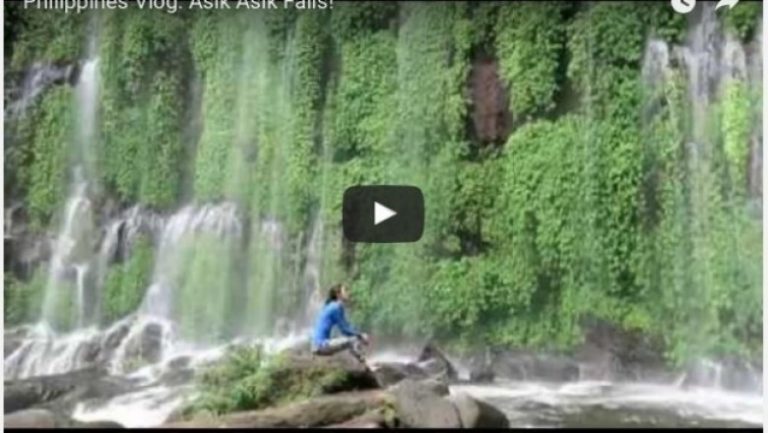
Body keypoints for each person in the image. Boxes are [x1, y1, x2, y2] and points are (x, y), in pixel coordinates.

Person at [311, 284, 370, 363]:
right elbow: (345, 330)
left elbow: (347, 326)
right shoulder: (336, 307)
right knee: (354, 340)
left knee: (353, 339)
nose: (348, 293)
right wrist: (361, 335)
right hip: (321, 345)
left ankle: (363, 362)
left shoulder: (333, 306)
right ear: (338, 295)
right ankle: (367, 364)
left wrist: (359, 333)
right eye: (345, 291)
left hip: (317, 345)